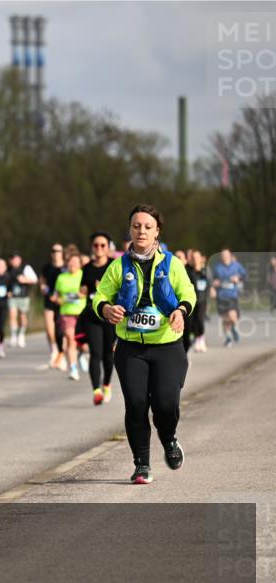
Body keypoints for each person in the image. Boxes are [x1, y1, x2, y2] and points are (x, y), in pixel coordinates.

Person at [92, 204, 195, 484]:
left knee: (165, 405)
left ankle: (170, 439)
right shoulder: (119, 266)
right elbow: (99, 296)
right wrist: (106, 310)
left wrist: (180, 311)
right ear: (129, 229)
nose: (141, 231)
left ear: (157, 231)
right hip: (130, 348)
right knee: (136, 404)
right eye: (136, 226)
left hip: (167, 346)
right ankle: (142, 464)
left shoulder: (172, 264)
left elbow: (188, 294)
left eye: (148, 226)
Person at [80, 232, 116, 404]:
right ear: (91, 247)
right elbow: (82, 290)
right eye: (96, 245)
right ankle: (96, 390)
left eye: (103, 245)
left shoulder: (114, 266)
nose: (99, 248)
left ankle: (107, 384)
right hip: (92, 315)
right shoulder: (86, 268)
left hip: (110, 316)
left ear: (108, 248)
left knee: (108, 355)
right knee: (95, 353)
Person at [52, 252, 85, 381]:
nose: (73, 265)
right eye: (71, 263)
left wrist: (79, 295)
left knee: (83, 343)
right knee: (70, 339)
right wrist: (58, 299)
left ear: (80, 264)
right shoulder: (61, 277)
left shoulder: (84, 275)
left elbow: (89, 292)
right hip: (66, 313)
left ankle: (81, 354)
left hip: (82, 313)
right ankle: (73, 368)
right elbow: (57, 296)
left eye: (76, 263)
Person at [211, 248, 247, 348]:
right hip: (221, 295)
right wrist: (213, 286)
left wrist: (238, 278)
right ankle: (228, 338)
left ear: (230, 255)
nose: (225, 257)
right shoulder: (217, 267)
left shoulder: (236, 265)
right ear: (221, 257)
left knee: (233, 317)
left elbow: (244, 275)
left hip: (232, 295)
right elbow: (212, 280)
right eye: (223, 255)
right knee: (225, 318)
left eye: (226, 255)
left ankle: (234, 328)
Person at [40, 244, 67, 370]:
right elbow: (42, 282)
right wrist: (44, 290)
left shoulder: (66, 268)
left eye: (58, 251)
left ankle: (62, 355)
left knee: (61, 331)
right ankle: (54, 350)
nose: (56, 253)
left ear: (62, 253)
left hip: (63, 302)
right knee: (49, 329)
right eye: (53, 251)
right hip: (49, 300)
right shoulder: (46, 268)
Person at [7, 252, 38, 348]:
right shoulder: (8, 269)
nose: (14, 261)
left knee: (22, 316)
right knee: (12, 315)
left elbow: (35, 280)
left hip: (23, 296)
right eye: (13, 259)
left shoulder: (25, 268)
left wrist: (24, 280)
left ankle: (21, 335)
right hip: (12, 297)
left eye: (16, 258)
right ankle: (13, 336)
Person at [185, 250, 209, 353]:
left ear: (201, 258)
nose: (195, 259)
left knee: (200, 319)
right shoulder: (188, 270)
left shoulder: (205, 270)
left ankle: (201, 339)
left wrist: (199, 270)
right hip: (193, 299)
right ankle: (195, 340)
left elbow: (208, 283)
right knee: (192, 322)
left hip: (202, 299)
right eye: (193, 258)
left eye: (197, 257)